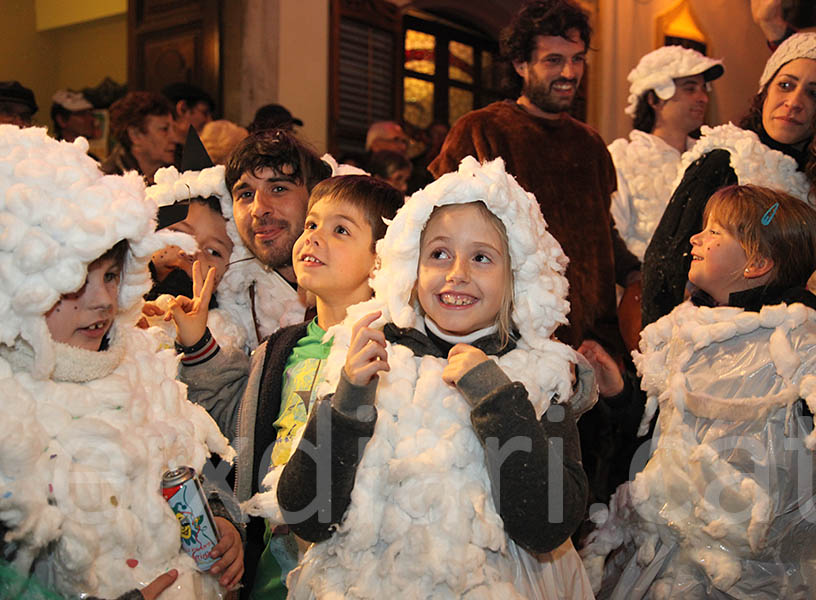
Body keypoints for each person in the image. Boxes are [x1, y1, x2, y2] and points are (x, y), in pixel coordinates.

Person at [272, 157, 595, 599]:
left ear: (515, 277)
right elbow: (306, 514)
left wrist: (497, 399)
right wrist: (347, 406)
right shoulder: (371, 355)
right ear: (411, 267)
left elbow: (547, 524)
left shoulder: (541, 376)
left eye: (481, 257)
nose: (456, 272)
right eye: (439, 254)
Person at [582, 185, 816, 598]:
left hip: (762, 579)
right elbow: (664, 431)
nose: (696, 238)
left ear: (756, 263)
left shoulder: (808, 344)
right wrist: (621, 392)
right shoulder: (689, 328)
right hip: (668, 563)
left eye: (715, 232)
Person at [0, 125, 244, 598]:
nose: (101, 302)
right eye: (74, 283)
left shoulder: (143, 360)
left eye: (111, 276)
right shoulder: (11, 402)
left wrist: (222, 517)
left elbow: (192, 459)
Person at [172, 174, 403, 598]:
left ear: (381, 260)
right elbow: (237, 432)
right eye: (312, 224)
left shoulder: (395, 353)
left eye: (340, 230)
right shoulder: (280, 349)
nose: (314, 238)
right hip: (275, 573)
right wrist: (196, 341)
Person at [430, 0, 639, 358]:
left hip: (595, 342)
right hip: (515, 341)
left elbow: (601, 232)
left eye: (577, 59)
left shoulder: (591, 144)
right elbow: (445, 232)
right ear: (520, 64)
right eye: (554, 60)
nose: (570, 73)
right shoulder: (482, 130)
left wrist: (637, 275)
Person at [642, 32, 816, 327]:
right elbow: (667, 261)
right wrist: (661, 351)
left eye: (814, 93)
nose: (793, 102)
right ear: (765, 91)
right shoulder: (728, 157)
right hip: (713, 340)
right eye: (785, 85)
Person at [217, 130, 333, 350]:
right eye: (246, 195)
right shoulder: (229, 299)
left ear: (315, 198)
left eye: (278, 189)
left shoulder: (363, 289)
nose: (259, 209)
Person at [609, 45, 724, 261]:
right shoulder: (622, 158)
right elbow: (614, 238)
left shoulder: (711, 158)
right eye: (690, 89)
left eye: (703, 89)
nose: (703, 98)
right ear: (654, 99)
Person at [142, 126, 243, 353]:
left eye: (213, 251)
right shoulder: (114, 300)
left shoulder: (222, 335)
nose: (191, 252)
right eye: (181, 234)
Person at [102, 91, 178, 184]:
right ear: (135, 135)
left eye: (173, 129)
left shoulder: (181, 172)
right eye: (164, 129)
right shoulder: (109, 182)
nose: (174, 138)